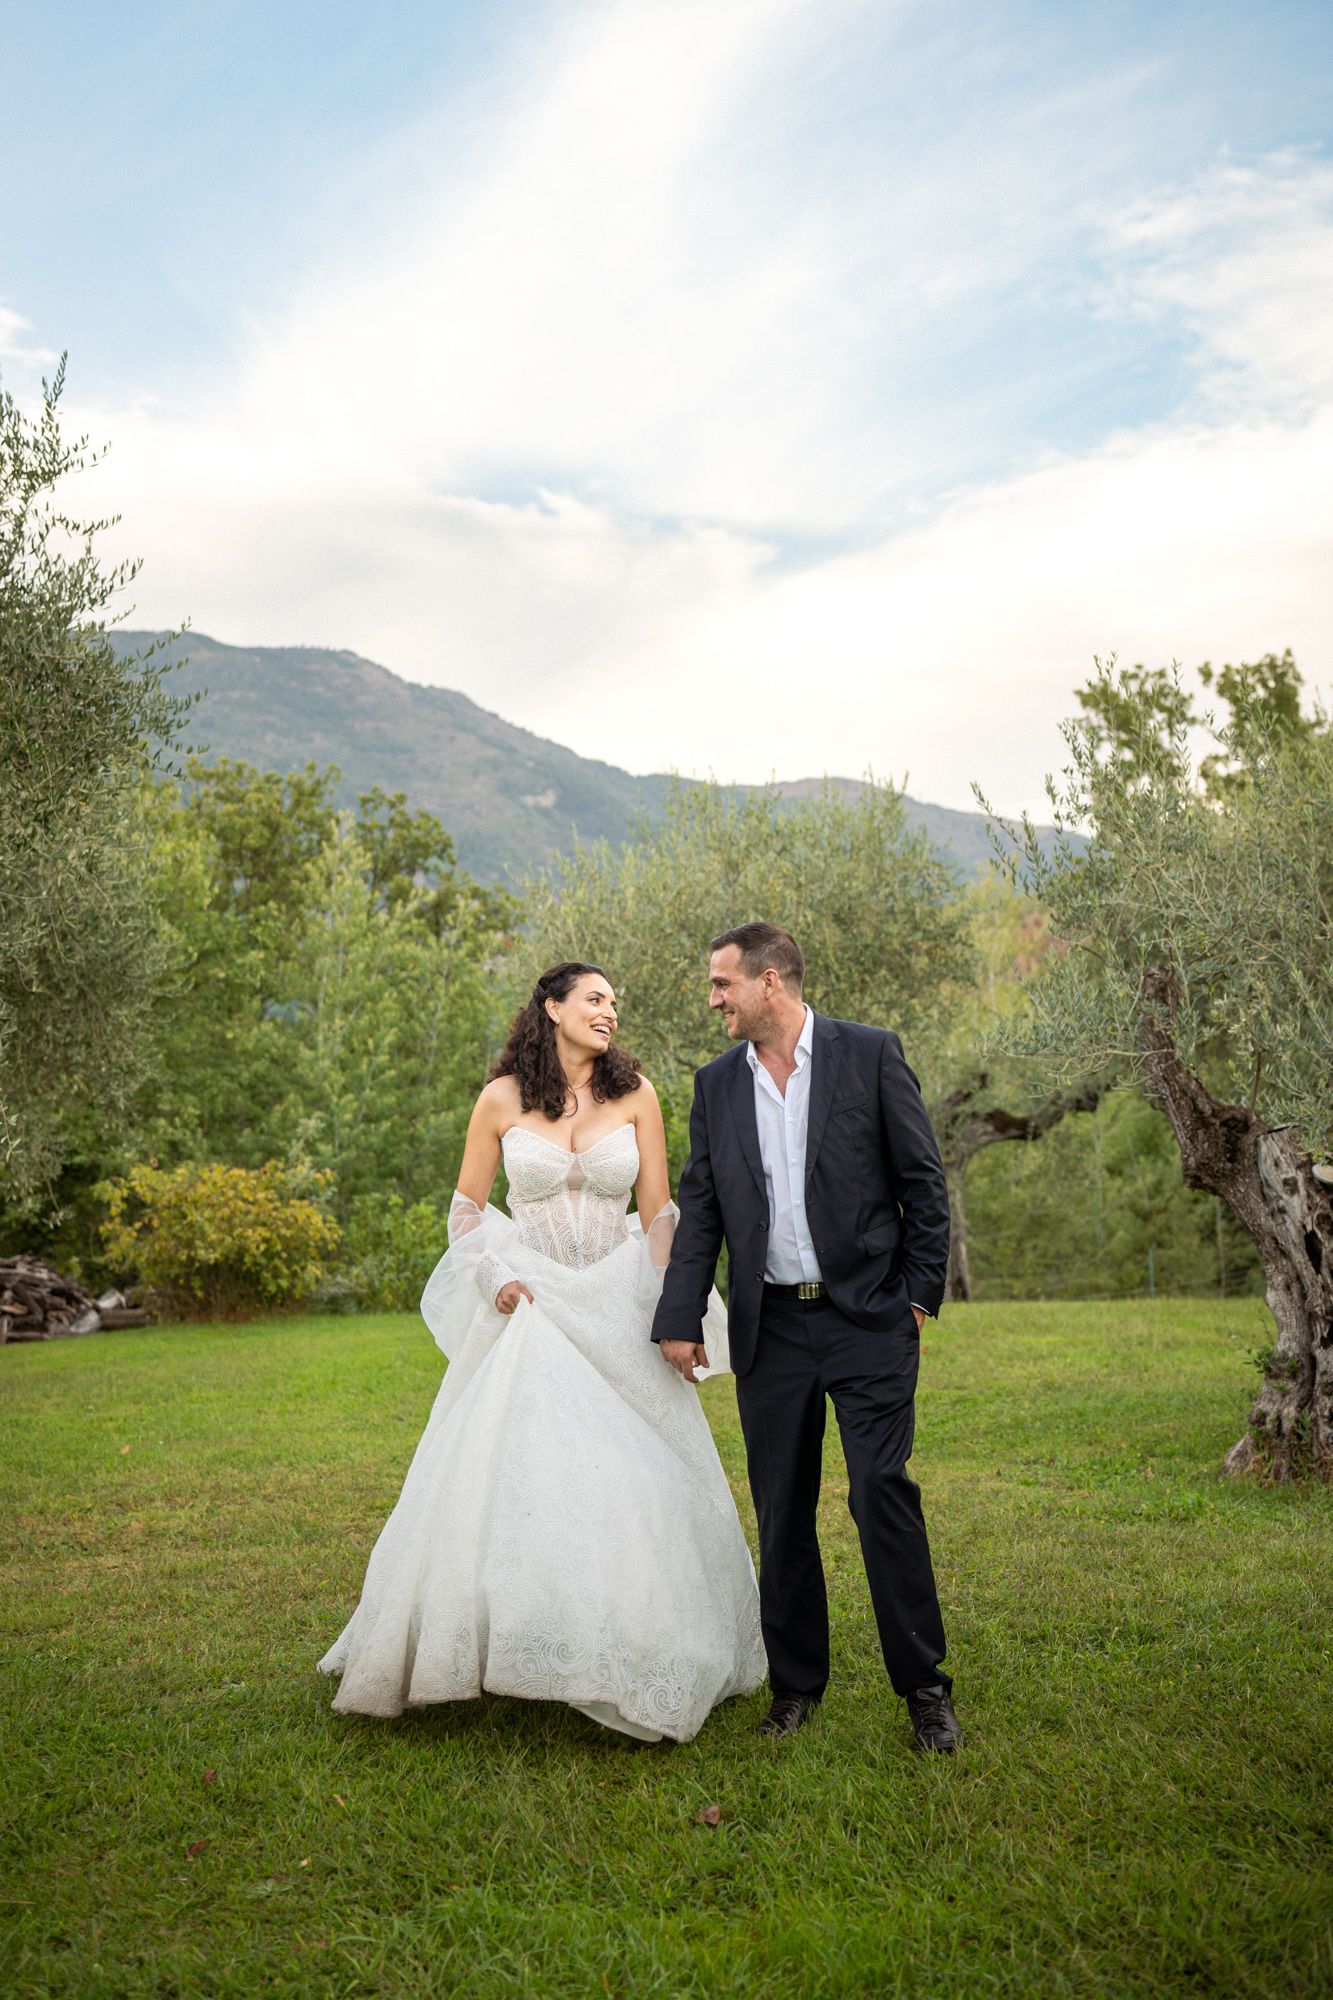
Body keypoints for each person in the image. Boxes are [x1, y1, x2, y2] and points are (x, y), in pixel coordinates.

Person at [319, 961, 765, 1742]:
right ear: (551, 1008)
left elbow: (660, 1216)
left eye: (614, 1003)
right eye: (594, 1000)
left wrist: (679, 1308)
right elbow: (465, 1212)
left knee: (636, 1473)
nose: (609, 1012)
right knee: (527, 1473)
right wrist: (495, 1276)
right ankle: (518, 1640)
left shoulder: (637, 1093)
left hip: (620, 1297)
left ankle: (637, 1646)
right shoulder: (499, 1099)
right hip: (533, 1303)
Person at [652, 923, 962, 1753]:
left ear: (772, 983)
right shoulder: (716, 1084)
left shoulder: (868, 1054)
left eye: (722, 984)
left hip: (869, 1321)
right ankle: (795, 1688)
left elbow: (922, 1185)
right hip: (771, 1328)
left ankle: (925, 1692)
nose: (712, 999)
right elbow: (703, 1209)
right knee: (781, 1509)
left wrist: (916, 1301)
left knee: (878, 1494)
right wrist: (681, 1317)